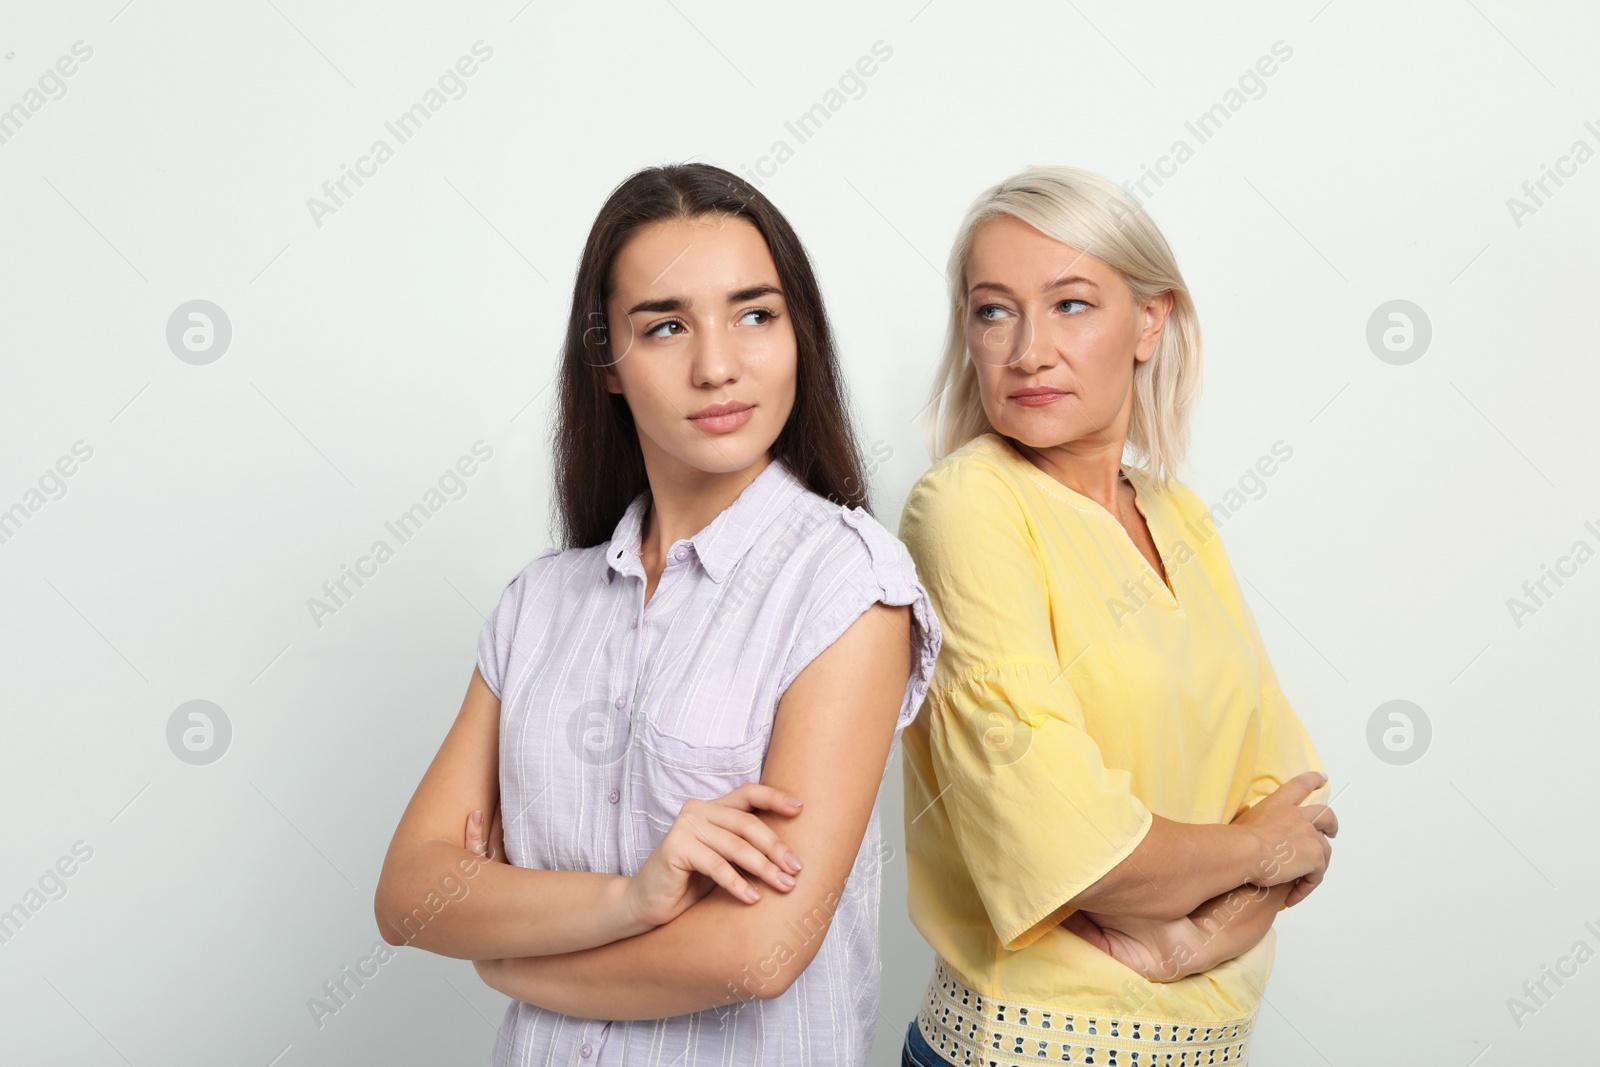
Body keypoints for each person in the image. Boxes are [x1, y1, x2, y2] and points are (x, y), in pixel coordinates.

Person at [374, 162, 941, 1066]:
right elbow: (411, 893)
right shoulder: (539, 605)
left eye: (755, 314)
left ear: (799, 335)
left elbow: (762, 950)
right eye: (666, 325)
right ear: (607, 362)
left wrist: (512, 958)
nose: (717, 365)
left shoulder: (846, 582)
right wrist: (630, 899)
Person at [896, 164, 1336, 1067]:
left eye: (1070, 304)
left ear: (1150, 320)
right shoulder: (967, 508)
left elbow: (1298, 811)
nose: (1027, 350)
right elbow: (1070, 848)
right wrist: (1255, 849)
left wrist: (1191, 940)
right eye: (993, 310)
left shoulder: (1181, 516)